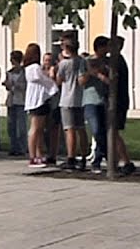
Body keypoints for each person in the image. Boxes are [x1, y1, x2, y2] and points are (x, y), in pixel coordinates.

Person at [24, 43, 58, 168]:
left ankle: (38, 155)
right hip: (37, 101)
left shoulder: (30, 68)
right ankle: (33, 157)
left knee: (38, 130)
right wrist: (53, 85)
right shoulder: (34, 68)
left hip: (38, 100)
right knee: (35, 129)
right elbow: (44, 81)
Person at [56, 35, 88, 170]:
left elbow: (59, 80)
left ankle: (71, 157)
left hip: (67, 98)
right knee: (81, 129)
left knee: (69, 129)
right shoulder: (82, 61)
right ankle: (84, 157)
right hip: (80, 98)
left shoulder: (64, 63)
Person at [80, 37, 110, 173]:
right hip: (90, 100)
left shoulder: (109, 62)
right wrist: (93, 73)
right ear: (99, 47)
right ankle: (106, 156)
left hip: (105, 100)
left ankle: (98, 160)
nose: (108, 50)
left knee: (104, 132)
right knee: (97, 130)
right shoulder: (87, 62)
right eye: (106, 47)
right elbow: (80, 81)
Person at [107, 36, 134, 174]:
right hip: (119, 100)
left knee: (114, 131)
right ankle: (116, 160)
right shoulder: (118, 60)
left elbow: (113, 79)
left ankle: (124, 160)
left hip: (118, 101)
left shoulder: (116, 61)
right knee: (113, 131)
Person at [3, 50, 27, 157]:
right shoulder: (9, 72)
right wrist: (7, 84)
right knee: (11, 125)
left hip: (21, 100)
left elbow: (25, 86)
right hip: (12, 100)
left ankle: (22, 148)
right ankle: (13, 147)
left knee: (21, 126)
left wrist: (15, 86)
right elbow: (7, 83)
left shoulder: (24, 72)